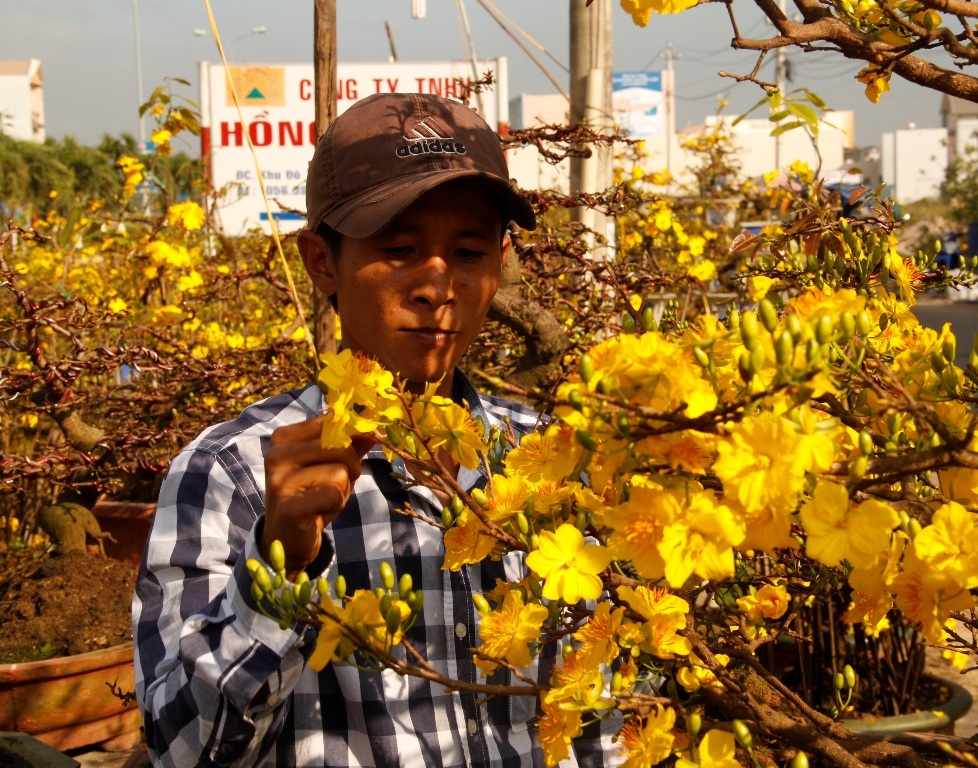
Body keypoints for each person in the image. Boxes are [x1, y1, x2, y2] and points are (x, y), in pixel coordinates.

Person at [133, 92, 617, 768]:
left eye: (469, 251)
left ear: (501, 262)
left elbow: (600, 724)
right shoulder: (232, 472)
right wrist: (279, 564)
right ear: (320, 262)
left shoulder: (548, 461)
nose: (437, 286)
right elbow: (183, 750)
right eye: (400, 249)